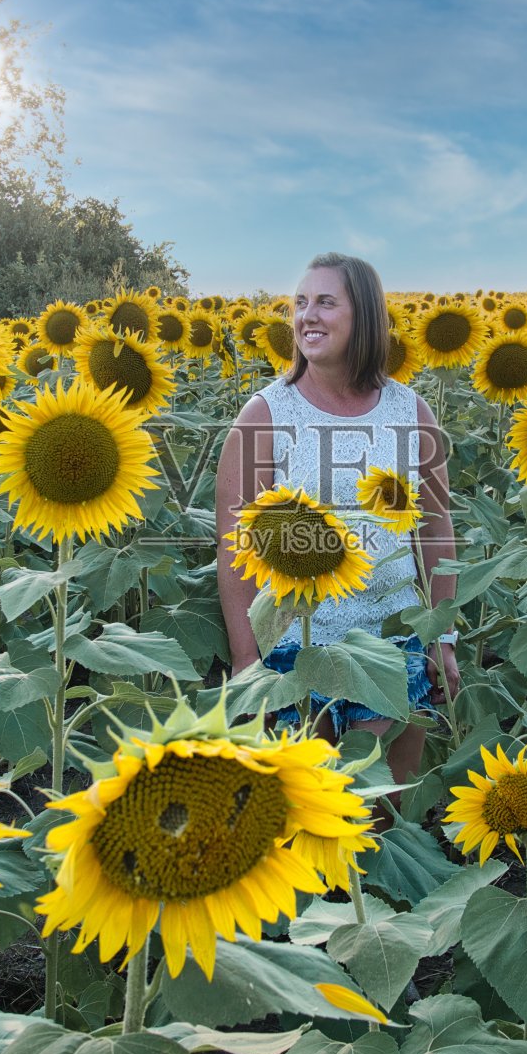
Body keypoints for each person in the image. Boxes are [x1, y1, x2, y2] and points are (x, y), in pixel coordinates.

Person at [215, 252, 460, 797]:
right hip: (297, 648)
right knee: (307, 814)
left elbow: (436, 529)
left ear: (365, 317)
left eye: (326, 302)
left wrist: (441, 636)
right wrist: (246, 662)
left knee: (382, 816)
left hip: (394, 643)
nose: (308, 316)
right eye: (300, 303)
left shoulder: (410, 411)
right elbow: (236, 548)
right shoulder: (265, 415)